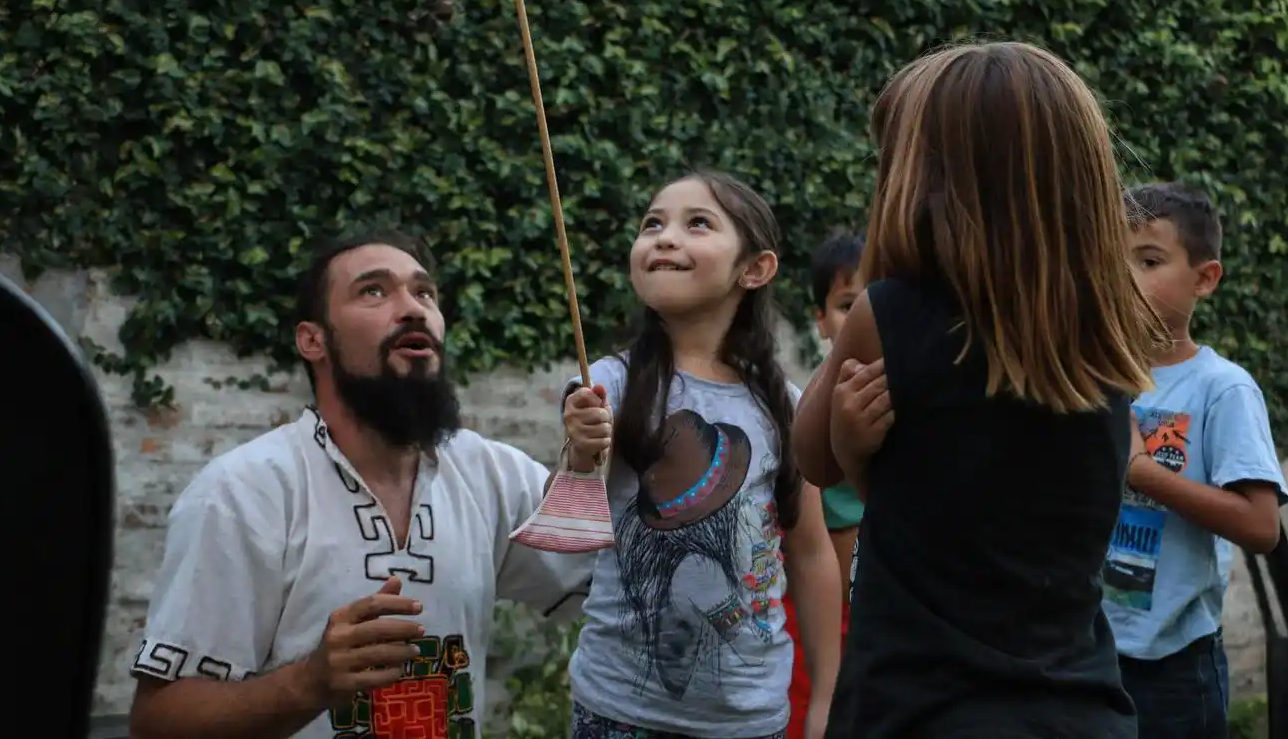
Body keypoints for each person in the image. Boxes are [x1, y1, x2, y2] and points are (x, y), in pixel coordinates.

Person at [793, 41, 1165, 738]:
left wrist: (854, 451)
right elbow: (993, 537)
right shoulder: (1103, 331)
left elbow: (812, 459)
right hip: (1075, 710)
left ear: (924, 177)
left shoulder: (892, 314)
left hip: (920, 709)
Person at [127, 230, 594, 739]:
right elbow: (157, 723)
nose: (412, 309)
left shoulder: (489, 473)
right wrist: (309, 683)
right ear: (313, 340)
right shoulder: (242, 493)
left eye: (425, 293)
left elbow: (613, 578)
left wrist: (602, 461)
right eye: (374, 291)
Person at [560, 171, 844, 739]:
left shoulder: (786, 407)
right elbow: (567, 512)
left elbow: (812, 556)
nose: (664, 238)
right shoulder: (607, 386)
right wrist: (580, 453)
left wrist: (827, 699)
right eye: (652, 224)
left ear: (754, 269)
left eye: (697, 224)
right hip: (615, 713)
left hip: (751, 719)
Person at [1106, 181, 1288, 739]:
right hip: (1087, 653)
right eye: (1112, 259)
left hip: (1175, 670)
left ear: (1204, 278)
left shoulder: (1221, 389)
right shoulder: (1093, 380)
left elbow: (1261, 527)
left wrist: (1142, 473)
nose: (1123, 277)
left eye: (1149, 260)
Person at [785, 230, 866, 738]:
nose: (862, 316)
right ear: (820, 321)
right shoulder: (809, 410)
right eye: (846, 305)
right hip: (823, 619)